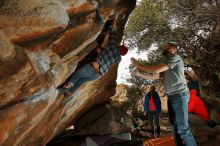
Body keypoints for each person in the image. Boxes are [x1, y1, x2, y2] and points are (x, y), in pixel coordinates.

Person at [131, 42, 197, 146]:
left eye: (166, 46)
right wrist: (139, 73)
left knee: (183, 129)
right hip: (172, 97)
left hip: (179, 95)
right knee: (174, 127)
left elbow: (156, 69)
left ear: (171, 48)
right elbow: (154, 76)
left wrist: (139, 65)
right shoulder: (167, 64)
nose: (163, 47)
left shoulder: (174, 57)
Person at [58, 13, 128, 93]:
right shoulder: (118, 59)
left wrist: (115, 20)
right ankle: (71, 91)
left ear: (119, 47)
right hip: (98, 75)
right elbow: (105, 57)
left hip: (92, 68)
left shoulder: (112, 47)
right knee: (81, 81)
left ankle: (66, 88)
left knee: (77, 75)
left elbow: (113, 31)